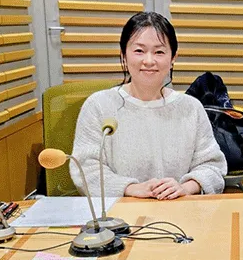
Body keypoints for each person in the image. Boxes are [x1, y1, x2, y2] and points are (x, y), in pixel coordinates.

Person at [71, 11, 226, 199]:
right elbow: (86, 170)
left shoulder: (191, 108)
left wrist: (185, 187)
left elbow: (212, 166)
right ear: (124, 55)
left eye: (159, 52)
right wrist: (130, 188)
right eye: (139, 51)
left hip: (179, 209)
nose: (149, 61)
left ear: (173, 58)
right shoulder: (98, 105)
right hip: (120, 211)